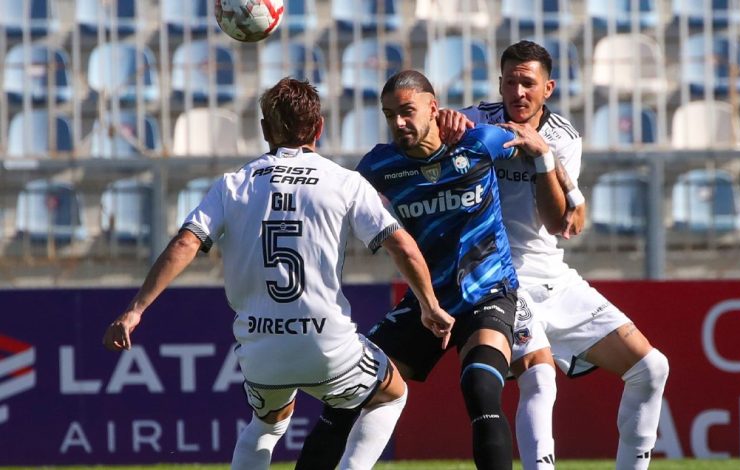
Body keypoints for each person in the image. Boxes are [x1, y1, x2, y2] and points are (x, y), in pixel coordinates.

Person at [102, 77, 454, 470]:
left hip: (261, 347)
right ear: (319, 129)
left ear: (265, 129)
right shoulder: (344, 182)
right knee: (390, 394)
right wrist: (430, 305)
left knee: (266, 425)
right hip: (327, 345)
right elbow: (402, 245)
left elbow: (185, 243)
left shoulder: (232, 185)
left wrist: (135, 310)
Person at [296, 70, 563, 470]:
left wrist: (555, 172)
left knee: (480, 387)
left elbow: (534, 141)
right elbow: (335, 200)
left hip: (489, 293)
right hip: (426, 302)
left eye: (407, 111)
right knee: (349, 393)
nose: (399, 123)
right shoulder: (380, 166)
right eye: (390, 115)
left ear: (433, 108)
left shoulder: (480, 142)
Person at [438, 40, 670, 470]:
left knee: (651, 368)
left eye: (528, 83)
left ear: (549, 88)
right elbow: (425, 133)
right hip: (499, 278)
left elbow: (557, 222)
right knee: (540, 378)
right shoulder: (476, 121)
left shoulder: (563, 138)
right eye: (510, 82)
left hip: (553, 277)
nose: (518, 92)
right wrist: (443, 121)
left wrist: (541, 155)